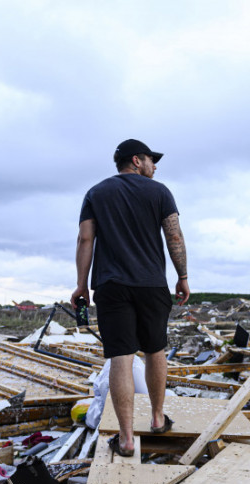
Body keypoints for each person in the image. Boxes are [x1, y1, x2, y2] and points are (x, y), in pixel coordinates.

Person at [71, 138, 189, 457]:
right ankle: (156, 418)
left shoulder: (96, 193)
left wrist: (81, 285)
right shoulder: (160, 192)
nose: (155, 165)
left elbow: (85, 239)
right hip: (151, 284)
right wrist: (183, 276)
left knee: (120, 356)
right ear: (136, 160)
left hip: (111, 285)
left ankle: (125, 438)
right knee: (155, 350)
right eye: (152, 159)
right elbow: (174, 235)